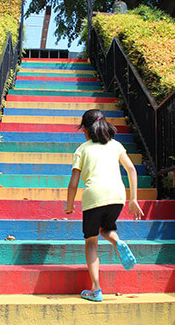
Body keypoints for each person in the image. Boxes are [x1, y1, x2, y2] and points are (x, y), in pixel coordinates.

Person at [65, 109, 144, 302]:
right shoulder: (116, 145)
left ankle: (96, 289)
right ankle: (117, 241)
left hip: (94, 197)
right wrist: (133, 198)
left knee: (91, 242)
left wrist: (69, 205)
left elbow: (74, 182)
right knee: (106, 228)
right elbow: (131, 169)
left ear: (85, 129)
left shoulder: (82, 149)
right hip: (117, 196)